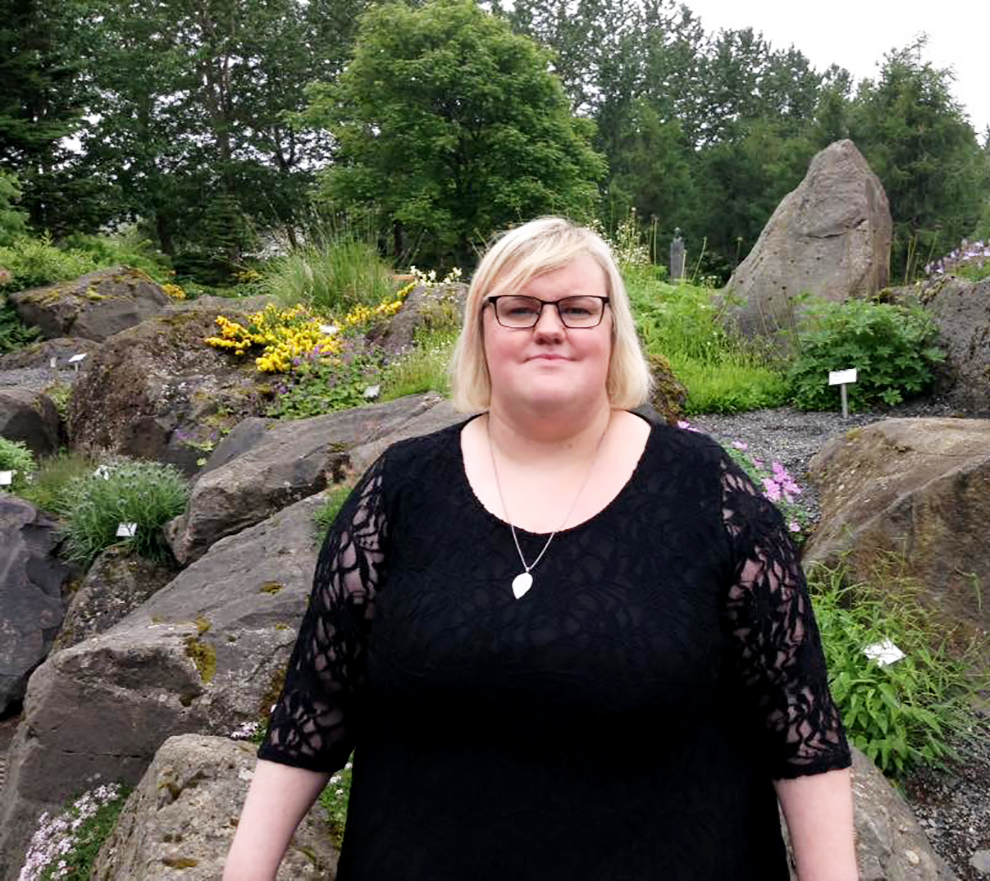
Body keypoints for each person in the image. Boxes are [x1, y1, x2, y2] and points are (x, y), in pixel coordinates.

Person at [224, 217, 857, 880]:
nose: (549, 327)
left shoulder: (706, 490)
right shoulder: (400, 488)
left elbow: (798, 723)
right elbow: (315, 706)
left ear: (612, 330)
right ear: (481, 330)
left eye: (578, 308)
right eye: (519, 308)